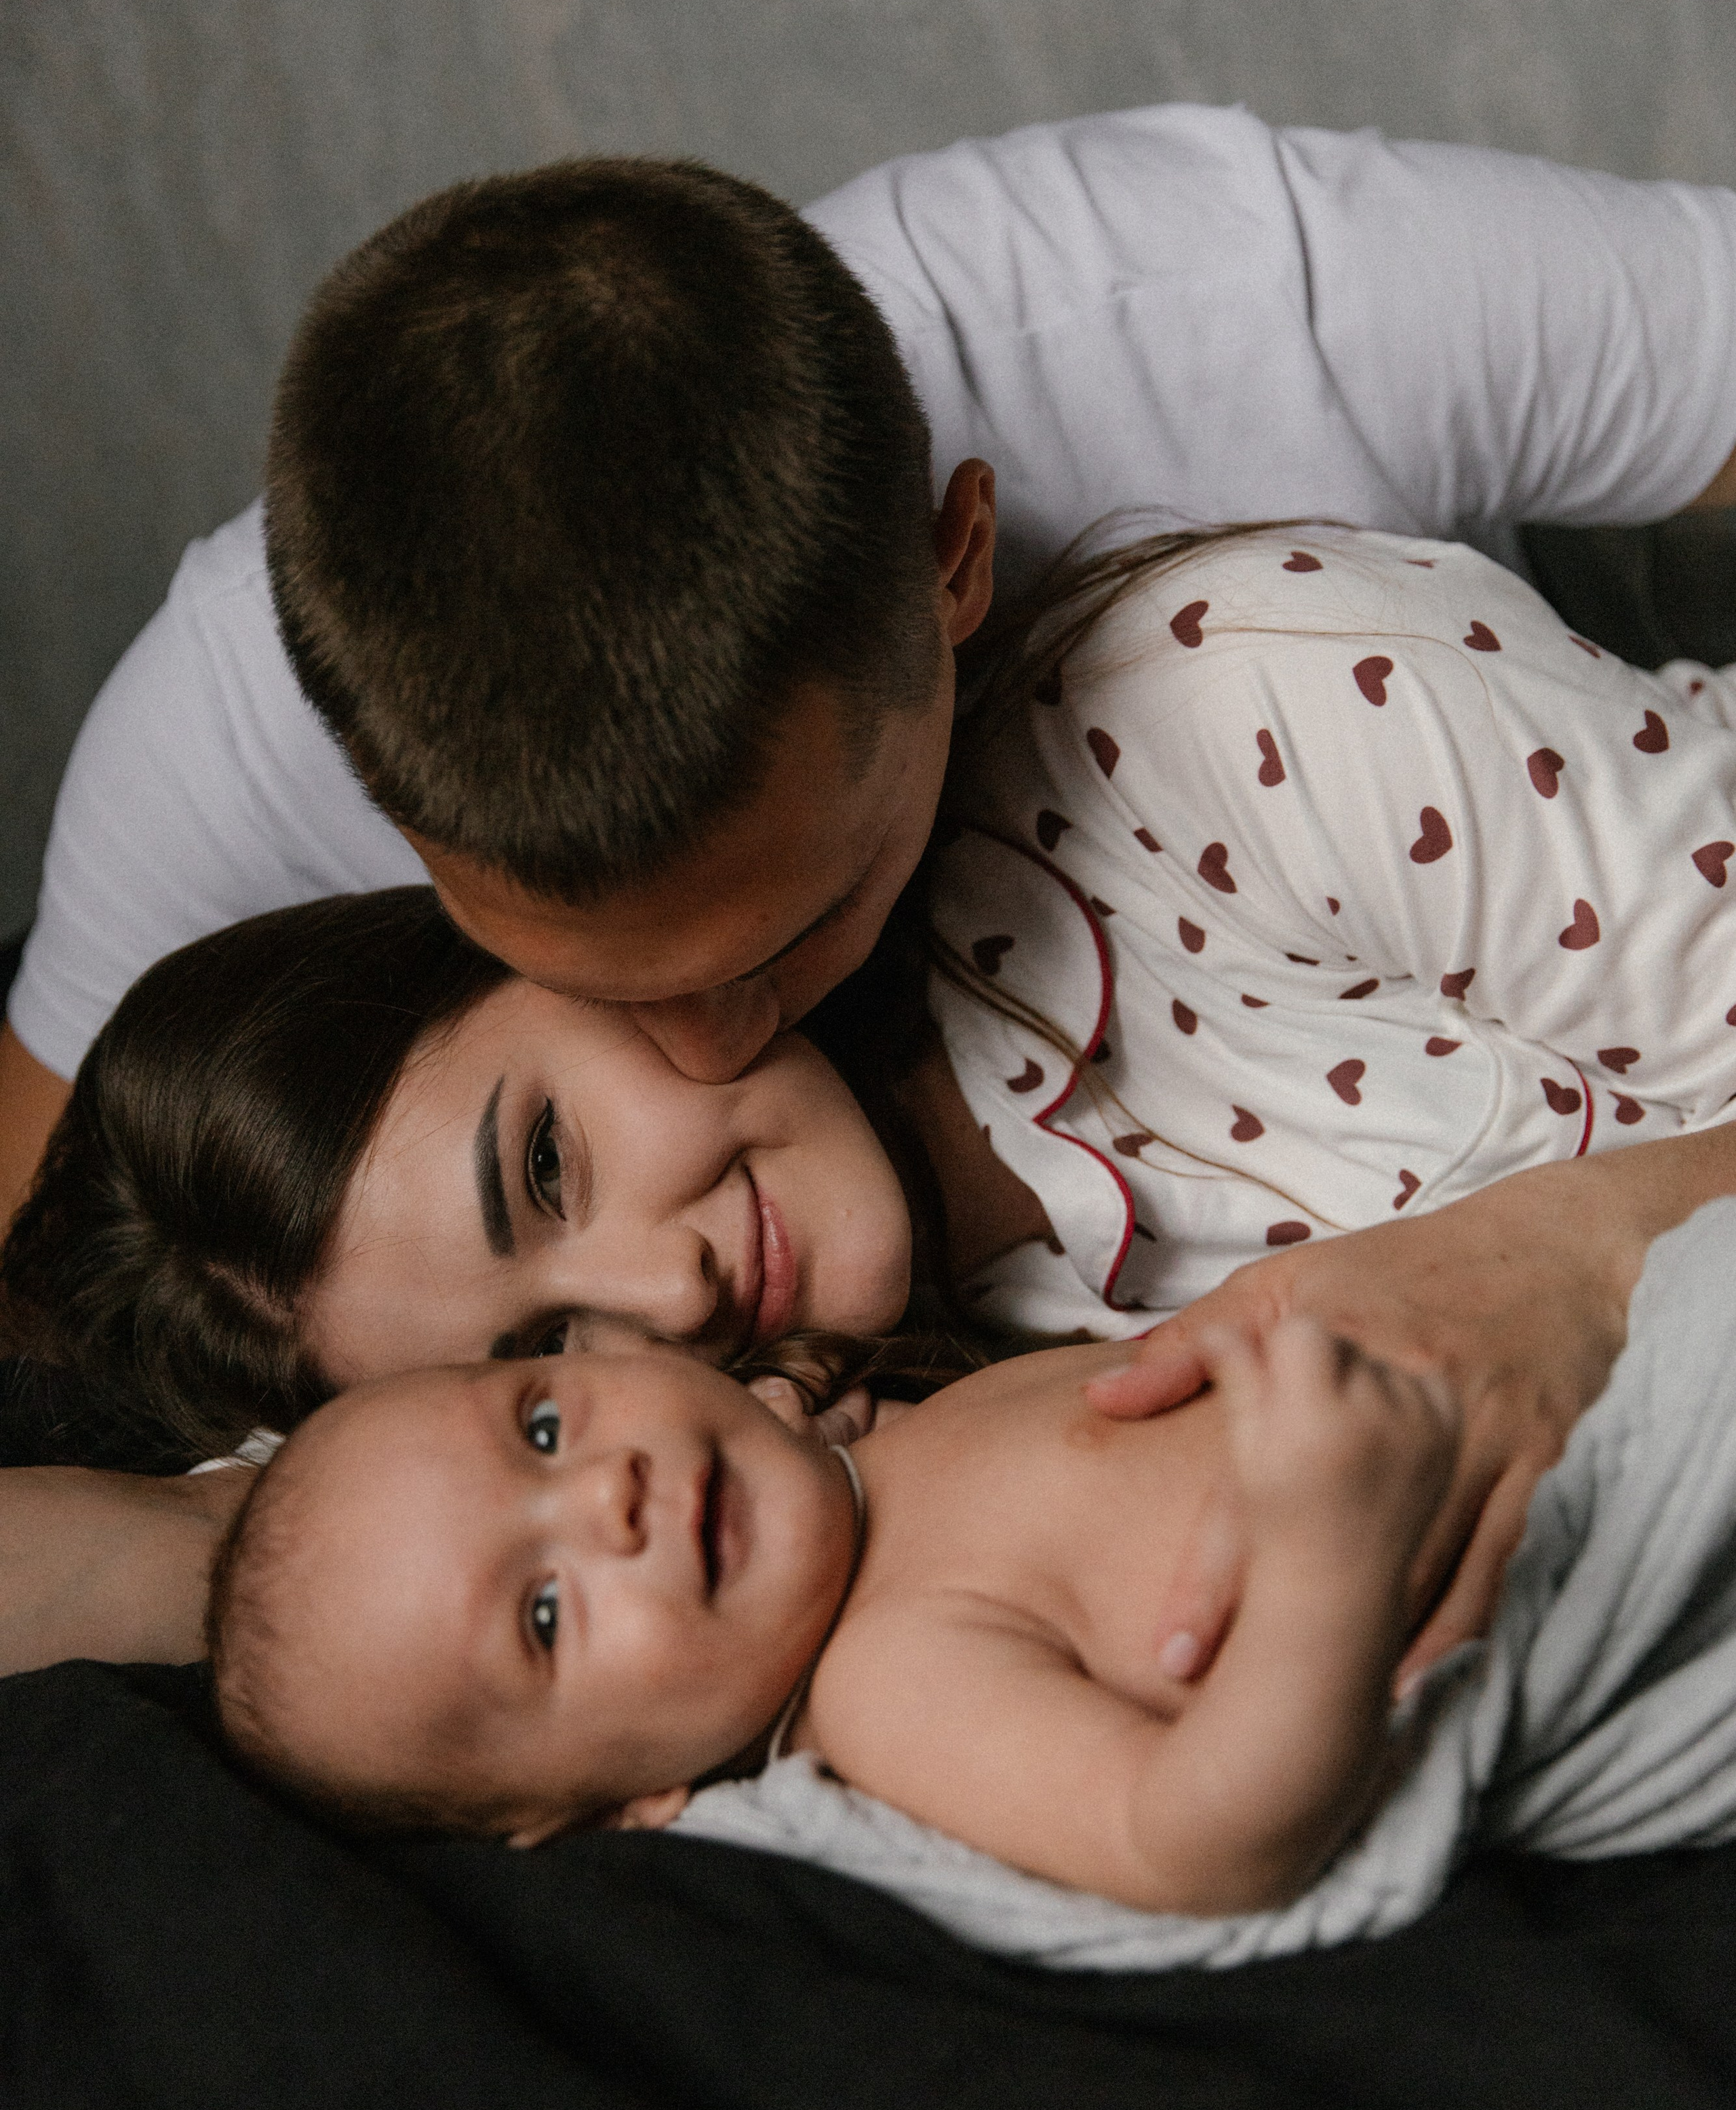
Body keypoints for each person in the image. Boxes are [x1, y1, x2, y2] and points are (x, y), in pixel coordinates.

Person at [8, 112, 1736, 1643]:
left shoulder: (1242, 671)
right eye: (540, 1369)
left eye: (544, 1162)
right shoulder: (228, 763)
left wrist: (1573, 1254)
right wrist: (224, 1545)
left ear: (955, 572)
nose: (664, 1302)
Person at [204, 1196, 1736, 1969]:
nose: (605, 1497)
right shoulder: (889, 1685)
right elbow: (1196, 1839)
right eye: (544, 1615)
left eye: (542, 1429)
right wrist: (1331, 1557)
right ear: (621, 1809)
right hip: (1613, 1532)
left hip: (1588, 1356)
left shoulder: (899, 1441)